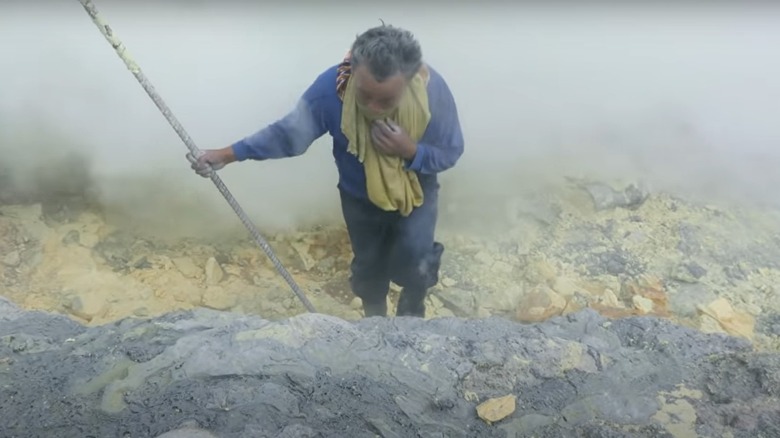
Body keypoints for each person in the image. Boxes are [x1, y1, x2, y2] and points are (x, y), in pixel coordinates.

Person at [188, 24, 465, 318]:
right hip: (358, 198)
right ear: (354, 71)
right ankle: (374, 318)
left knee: (416, 258)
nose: (371, 108)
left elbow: (450, 151)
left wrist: (411, 151)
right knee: (368, 264)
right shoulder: (332, 90)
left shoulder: (432, 92)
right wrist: (227, 155)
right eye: (364, 95)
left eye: (385, 101)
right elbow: (289, 136)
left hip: (417, 197)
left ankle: (413, 309)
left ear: (409, 83)